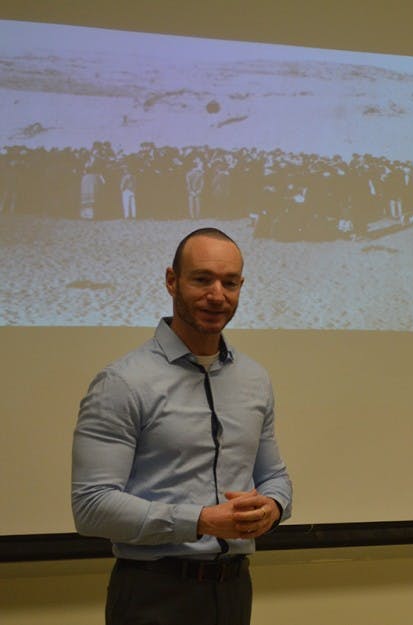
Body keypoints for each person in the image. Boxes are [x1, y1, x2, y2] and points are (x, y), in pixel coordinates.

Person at [72, 227, 292, 625]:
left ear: (242, 286)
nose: (217, 295)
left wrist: (273, 508)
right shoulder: (122, 382)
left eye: (230, 283)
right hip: (153, 593)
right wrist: (202, 520)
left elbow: (274, 476)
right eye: (202, 279)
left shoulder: (255, 379)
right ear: (172, 281)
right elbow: (91, 507)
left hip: (234, 590)